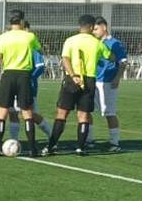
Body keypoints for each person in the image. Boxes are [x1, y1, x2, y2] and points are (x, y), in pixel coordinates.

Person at [46, 15, 113, 156]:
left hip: (72, 79)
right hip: (89, 80)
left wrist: (73, 75)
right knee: (83, 116)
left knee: (62, 114)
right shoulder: (97, 43)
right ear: (90, 27)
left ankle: (51, 146)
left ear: (80, 26)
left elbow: (65, 58)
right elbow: (110, 57)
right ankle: (80, 148)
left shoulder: (70, 40)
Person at [0, 10, 43, 156]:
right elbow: (39, 50)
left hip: (8, 75)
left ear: (10, 22)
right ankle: (32, 148)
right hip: (24, 76)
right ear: (21, 21)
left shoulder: (2, 38)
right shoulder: (30, 36)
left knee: (2, 112)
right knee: (27, 112)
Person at [93, 17, 128, 152]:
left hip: (108, 81)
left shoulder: (115, 43)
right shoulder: (94, 42)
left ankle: (114, 142)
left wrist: (117, 78)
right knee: (88, 111)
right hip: (93, 80)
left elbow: (123, 62)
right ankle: (89, 140)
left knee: (109, 112)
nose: (94, 32)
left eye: (96, 29)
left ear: (104, 27)